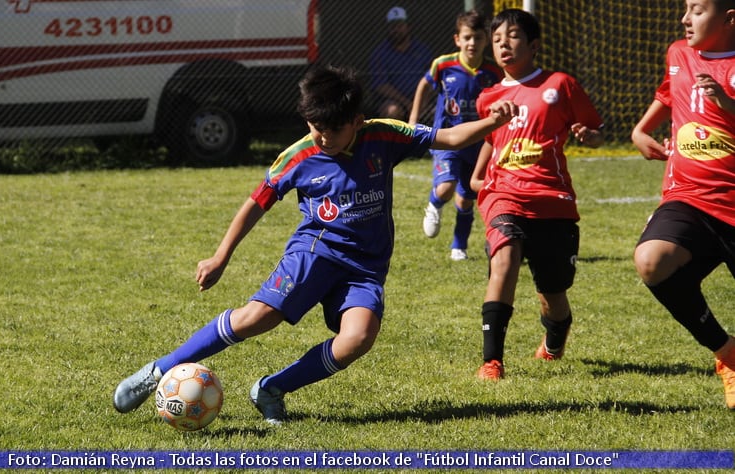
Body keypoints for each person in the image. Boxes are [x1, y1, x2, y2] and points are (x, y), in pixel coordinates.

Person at [113, 65, 517, 423]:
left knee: (357, 339)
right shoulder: (299, 156)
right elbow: (257, 202)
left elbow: (448, 137)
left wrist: (491, 123)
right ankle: (157, 371)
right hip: (314, 253)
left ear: (356, 121)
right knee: (257, 318)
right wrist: (221, 256)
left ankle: (271, 388)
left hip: (365, 267)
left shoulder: (384, 136)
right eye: (314, 128)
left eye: (331, 130)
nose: (321, 138)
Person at [469, 9, 604, 380]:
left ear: (534, 45)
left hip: (553, 202)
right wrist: (480, 175)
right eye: (496, 40)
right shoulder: (488, 97)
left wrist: (589, 137)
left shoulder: (560, 85)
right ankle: (492, 361)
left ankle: (555, 337)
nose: (503, 45)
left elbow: (596, 130)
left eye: (512, 37)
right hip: (505, 196)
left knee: (554, 294)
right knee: (505, 259)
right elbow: (492, 139)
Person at [630, 0, 735, 409]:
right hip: (688, 198)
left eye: (696, 10)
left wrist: (727, 104)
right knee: (651, 261)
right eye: (686, 9)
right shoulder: (678, 53)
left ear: (729, 17)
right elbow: (668, 93)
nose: (684, 18)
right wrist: (641, 130)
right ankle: (727, 354)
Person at [409, 10, 502, 261]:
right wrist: (413, 121)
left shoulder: (494, 72)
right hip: (446, 138)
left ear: (486, 40)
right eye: (468, 37)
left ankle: (458, 247)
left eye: (478, 38)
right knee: (446, 188)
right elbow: (423, 86)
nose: (473, 43)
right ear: (457, 39)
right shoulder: (443, 65)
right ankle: (434, 204)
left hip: (478, 143)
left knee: (466, 201)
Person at [368, 6, 434, 120]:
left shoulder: (422, 49)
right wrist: (407, 103)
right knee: (392, 111)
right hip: (394, 102)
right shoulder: (379, 53)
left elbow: (431, 79)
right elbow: (381, 85)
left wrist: (422, 103)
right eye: (393, 26)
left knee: (439, 111)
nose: (396, 30)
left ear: (408, 26)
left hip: (422, 100)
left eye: (400, 25)